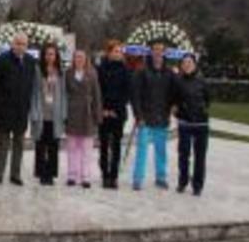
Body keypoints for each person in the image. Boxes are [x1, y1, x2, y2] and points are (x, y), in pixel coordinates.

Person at [0, 32, 38, 186]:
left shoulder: (31, 61)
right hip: (5, 109)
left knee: (19, 144)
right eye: (17, 43)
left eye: (23, 44)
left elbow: (32, 84)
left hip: (22, 110)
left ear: (27, 45)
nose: (20, 46)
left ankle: (15, 175)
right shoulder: (2, 60)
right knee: (1, 144)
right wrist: (5, 96)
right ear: (12, 44)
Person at [131, 40, 176, 190]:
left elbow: (173, 96)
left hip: (162, 118)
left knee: (161, 150)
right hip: (145, 118)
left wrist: (171, 110)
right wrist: (139, 116)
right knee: (142, 149)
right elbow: (135, 96)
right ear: (151, 52)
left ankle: (160, 177)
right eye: (155, 50)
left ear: (164, 53)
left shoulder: (169, 73)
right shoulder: (142, 71)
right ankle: (138, 179)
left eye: (160, 50)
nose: (158, 53)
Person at [173, 54, 211, 196]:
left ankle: (197, 185)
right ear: (182, 65)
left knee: (200, 156)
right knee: (183, 155)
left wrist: (201, 110)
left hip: (201, 124)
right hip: (185, 123)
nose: (187, 64)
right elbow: (174, 100)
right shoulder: (178, 81)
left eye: (189, 62)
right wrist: (179, 112)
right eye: (184, 62)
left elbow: (208, 99)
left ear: (194, 64)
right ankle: (182, 182)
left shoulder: (202, 81)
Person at [29, 43, 66, 186]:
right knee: (40, 144)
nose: (50, 57)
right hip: (41, 113)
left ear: (56, 56)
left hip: (55, 114)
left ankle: (50, 174)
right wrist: (34, 111)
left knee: (53, 145)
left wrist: (64, 113)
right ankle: (41, 173)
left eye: (52, 54)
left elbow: (63, 94)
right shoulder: (37, 70)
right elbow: (33, 92)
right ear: (43, 56)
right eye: (47, 54)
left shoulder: (60, 71)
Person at [65, 50, 103, 188]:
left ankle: (86, 176)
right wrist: (64, 114)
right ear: (73, 59)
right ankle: (72, 175)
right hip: (72, 112)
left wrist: (97, 115)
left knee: (87, 148)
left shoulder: (92, 73)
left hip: (87, 113)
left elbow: (97, 95)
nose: (79, 60)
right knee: (72, 146)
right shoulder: (68, 74)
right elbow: (64, 94)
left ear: (86, 59)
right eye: (77, 57)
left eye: (81, 57)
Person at [97, 40, 131, 189]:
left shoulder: (125, 70)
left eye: (120, 51)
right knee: (104, 145)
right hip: (103, 112)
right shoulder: (100, 68)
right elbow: (98, 91)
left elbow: (126, 93)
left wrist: (115, 109)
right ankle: (105, 175)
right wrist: (104, 108)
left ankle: (114, 176)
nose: (118, 54)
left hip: (118, 113)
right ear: (109, 52)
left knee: (116, 145)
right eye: (115, 51)